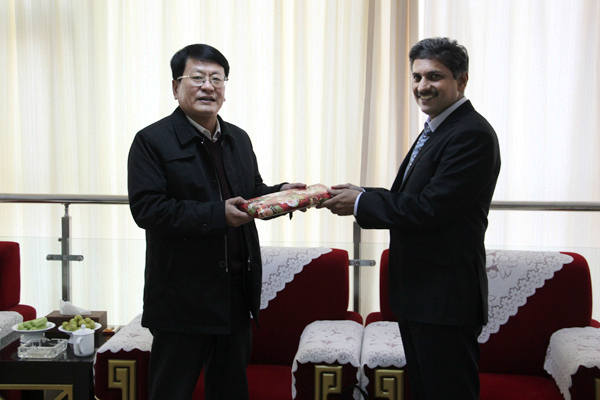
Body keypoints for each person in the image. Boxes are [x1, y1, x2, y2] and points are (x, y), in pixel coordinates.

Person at [318, 37, 501, 400]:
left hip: (445, 300)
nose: (422, 86)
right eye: (417, 77)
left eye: (434, 76)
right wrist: (363, 193)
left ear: (462, 80)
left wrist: (361, 204)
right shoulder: (439, 128)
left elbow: (430, 209)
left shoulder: (472, 134)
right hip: (422, 295)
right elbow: (411, 197)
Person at [127, 44, 304, 400]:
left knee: (230, 390)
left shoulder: (238, 138)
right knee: (171, 391)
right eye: (197, 78)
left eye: (217, 79)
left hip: (235, 294)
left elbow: (250, 194)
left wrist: (281, 194)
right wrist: (217, 214)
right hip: (181, 299)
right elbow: (148, 210)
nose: (208, 86)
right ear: (175, 87)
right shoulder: (151, 141)